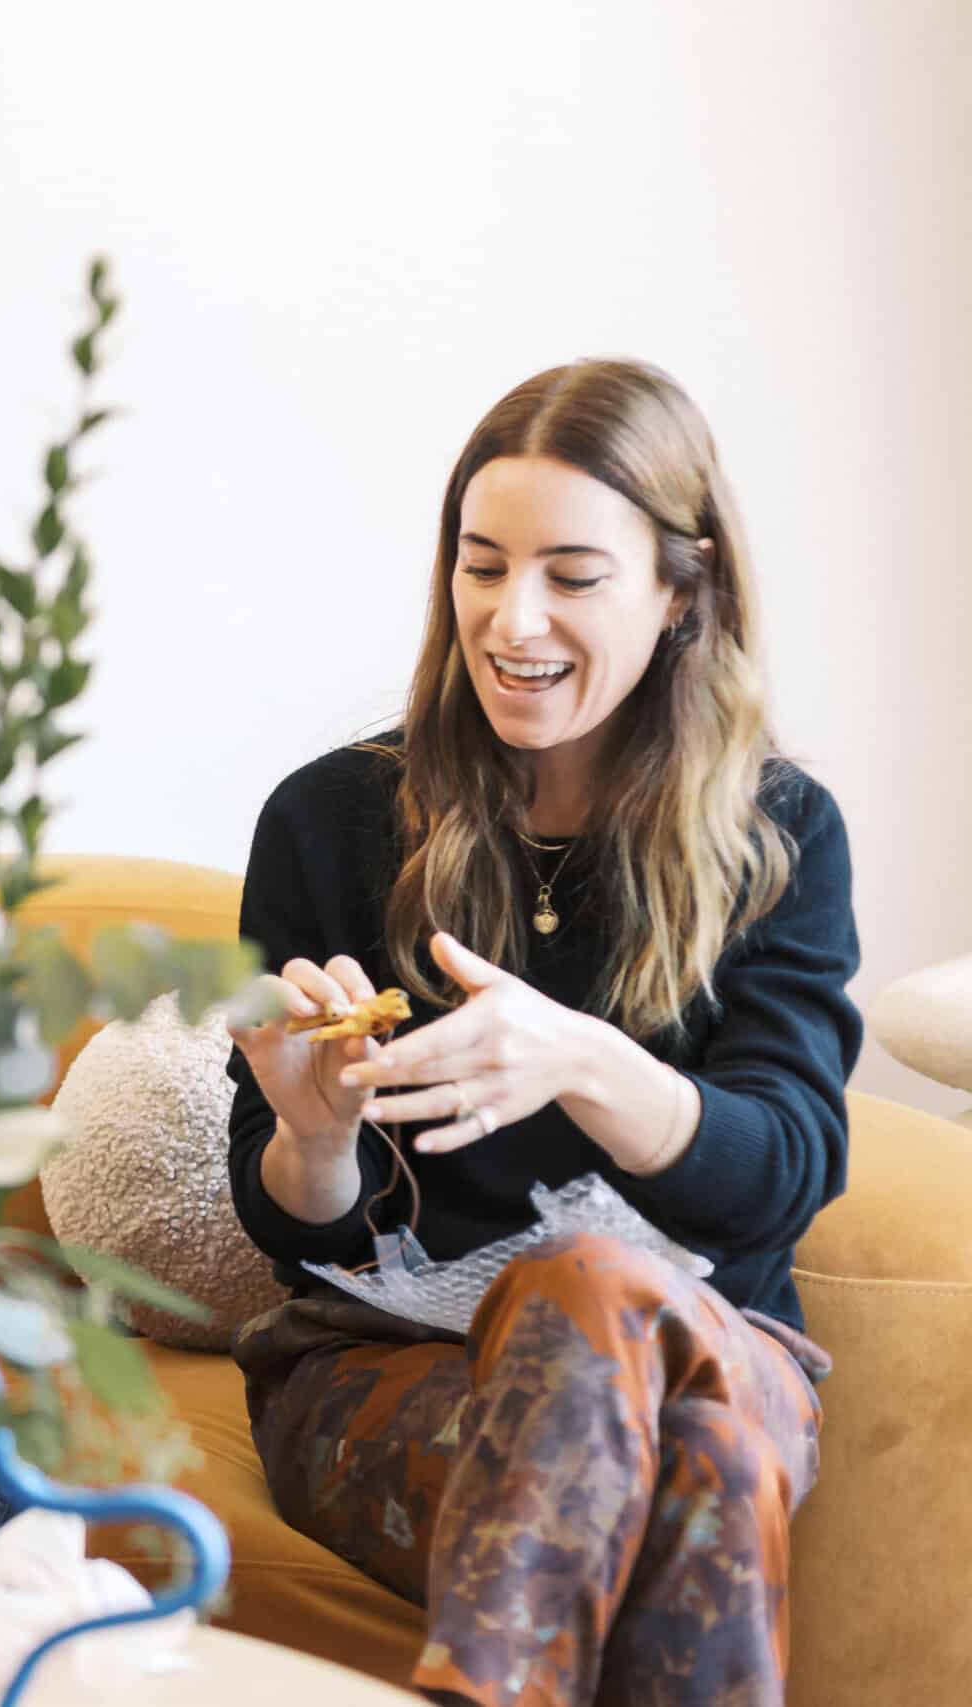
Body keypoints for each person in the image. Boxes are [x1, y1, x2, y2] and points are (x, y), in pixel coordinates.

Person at [222, 359, 860, 1706]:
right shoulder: (327, 821)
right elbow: (291, 1229)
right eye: (482, 565)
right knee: (701, 1461)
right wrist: (312, 1137)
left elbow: (786, 1170)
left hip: (715, 1353)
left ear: (681, 590)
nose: (512, 619)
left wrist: (581, 1060)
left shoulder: (778, 836)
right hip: (388, 1375)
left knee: (597, 1296)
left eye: (573, 575)